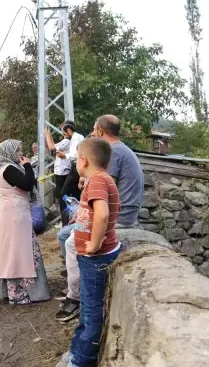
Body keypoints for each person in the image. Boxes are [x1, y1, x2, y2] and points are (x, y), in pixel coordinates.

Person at [56, 116, 144, 323]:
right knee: (64, 234)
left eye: (95, 130)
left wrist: (92, 239)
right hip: (120, 211)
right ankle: (75, 282)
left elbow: (102, 199)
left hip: (119, 217)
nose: (92, 134)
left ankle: (75, 296)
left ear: (102, 132)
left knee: (68, 240)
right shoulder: (119, 150)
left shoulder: (113, 152)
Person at [60, 138, 121, 367]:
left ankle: (82, 360)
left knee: (91, 310)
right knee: (86, 304)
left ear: (83, 160)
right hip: (94, 256)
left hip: (95, 257)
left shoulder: (96, 181)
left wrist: (94, 245)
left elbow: (103, 214)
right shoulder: (102, 179)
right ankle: (77, 349)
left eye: (77, 158)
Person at [0, 139, 51, 305]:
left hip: (14, 217)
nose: (21, 154)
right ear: (10, 153)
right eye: (18, 150)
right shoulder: (8, 169)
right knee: (18, 253)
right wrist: (27, 166)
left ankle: (21, 292)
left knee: (15, 251)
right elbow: (27, 184)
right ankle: (20, 294)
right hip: (14, 218)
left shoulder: (4, 169)